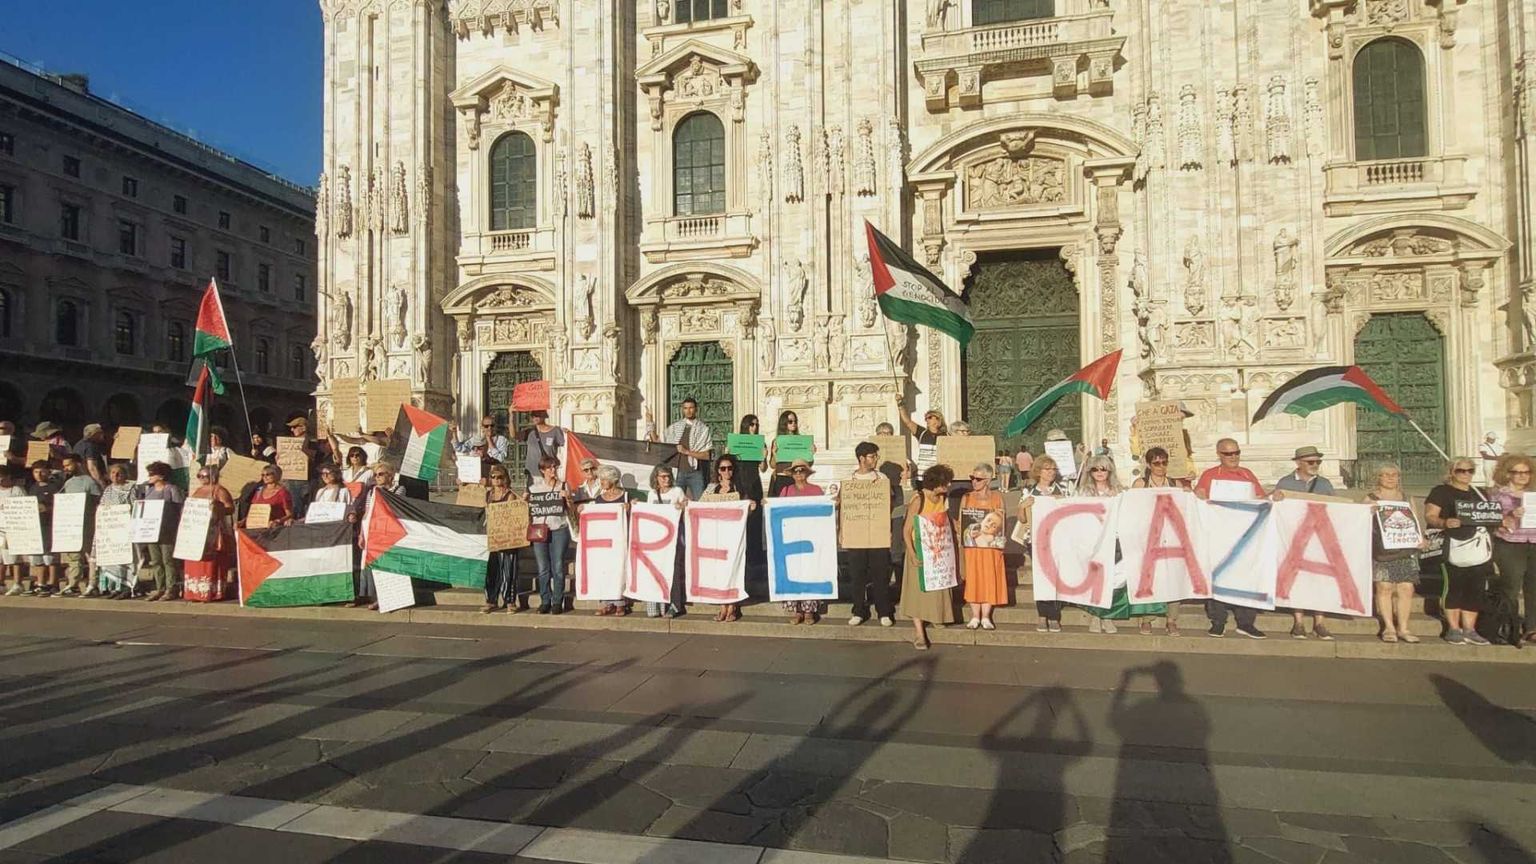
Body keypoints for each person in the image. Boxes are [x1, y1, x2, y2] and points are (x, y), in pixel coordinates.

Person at [1078, 455, 1167, 635]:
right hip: (1093, 541)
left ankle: (1107, 616)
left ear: (1109, 470)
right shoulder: (1083, 492)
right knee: (1097, 579)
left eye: (1103, 469)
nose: (1100, 472)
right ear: (1090, 472)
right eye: (1095, 469)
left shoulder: (1120, 491)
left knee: (1115, 579)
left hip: (1116, 540)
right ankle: (1096, 616)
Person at [1194, 438, 1266, 639]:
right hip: (1218, 537)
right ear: (1219, 454)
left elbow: (1260, 499)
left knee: (1245, 578)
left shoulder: (1247, 474)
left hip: (1244, 537)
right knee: (1216, 577)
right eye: (1228, 454)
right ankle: (1218, 621)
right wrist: (1197, 495)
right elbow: (1199, 499)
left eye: (1236, 452)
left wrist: (1272, 498)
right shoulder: (1209, 475)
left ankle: (1246, 622)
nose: (1233, 457)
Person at [1270, 445, 1337, 640]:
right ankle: (1298, 621)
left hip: (1319, 538)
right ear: (1299, 463)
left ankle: (1319, 622)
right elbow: (1276, 509)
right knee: (1297, 579)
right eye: (1311, 462)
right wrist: (1275, 498)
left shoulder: (1325, 484)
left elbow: (1336, 508)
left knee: (1320, 579)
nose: (1315, 465)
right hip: (1294, 537)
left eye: (1318, 462)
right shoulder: (1285, 482)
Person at [1424, 457, 1493, 646]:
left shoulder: (1481, 493)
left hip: (1478, 546)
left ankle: (1470, 629)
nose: (1466, 474)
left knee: (1475, 589)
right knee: (1454, 586)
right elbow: (1430, 516)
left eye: (1470, 470)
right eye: (1461, 470)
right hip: (1453, 544)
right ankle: (1453, 628)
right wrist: (1445, 522)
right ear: (1451, 472)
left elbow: (1492, 516)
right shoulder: (1441, 491)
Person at [899, 463, 957, 649]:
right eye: (945, 483)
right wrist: (913, 553)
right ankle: (919, 633)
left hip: (937, 549)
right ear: (936, 483)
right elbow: (907, 530)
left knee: (938, 585)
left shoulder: (942, 498)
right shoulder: (919, 499)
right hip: (919, 548)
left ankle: (937, 616)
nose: (948, 486)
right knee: (918, 590)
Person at [1368, 462, 1422, 644]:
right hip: (1383, 549)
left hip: (1405, 549)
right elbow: (1361, 522)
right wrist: (1369, 512)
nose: (1391, 478)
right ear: (1379, 477)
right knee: (1384, 587)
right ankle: (1389, 627)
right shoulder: (1370, 498)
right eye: (1386, 474)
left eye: (1394, 474)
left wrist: (1420, 538)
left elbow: (1414, 521)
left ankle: (1404, 627)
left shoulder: (1407, 498)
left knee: (1406, 588)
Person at [844, 442, 896, 628]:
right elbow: (844, 507)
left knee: (880, 574)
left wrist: (888, 529)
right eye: (873, 456)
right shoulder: (848, 480)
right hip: (855, 534)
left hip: (877, 534)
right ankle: (858, 610)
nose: (876, 459)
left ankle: (884, 611)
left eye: (876, 456)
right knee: (857, 575)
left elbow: (886, 505)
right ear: (862, 458)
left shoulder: (881, 477)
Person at [1019, 455, 1069, 632]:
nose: (1051, 473)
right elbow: (1022, 519)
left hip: (1057, 539)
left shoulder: (1062, 490)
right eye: (1048, 469)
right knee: (1041, 577)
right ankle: (1042, 614)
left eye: (1054, 469)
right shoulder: (1029, 492)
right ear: (1039, 471)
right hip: (1036, 540)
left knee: (1055, 576)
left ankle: (1055, 615)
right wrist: (1023, 506)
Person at [1490, 455, 1536, 644]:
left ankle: (1532, 628)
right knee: (1511, 586)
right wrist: (1510, 514)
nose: (1522, 476)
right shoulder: (1497, 495)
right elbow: (1491, 520)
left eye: (1526, 472)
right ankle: (1510, 627)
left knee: (1534, 587)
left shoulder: (1534, 494)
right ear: (1507, 474)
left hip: (1533, 542)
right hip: (1510, 543)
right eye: (1517, 472)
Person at [704, 453, 754, 622]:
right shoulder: (711, 489)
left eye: (729, 468)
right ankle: (722, 605)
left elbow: (747, 507)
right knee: (719, 571)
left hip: (734, 536)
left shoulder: (740, 488)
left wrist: (752, 505)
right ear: (718, 471)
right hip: (717, 536)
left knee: (733, 568)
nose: (726, 472)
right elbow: (700, 506)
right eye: (723, 468)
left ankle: (732, 606)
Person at [349, 461, 404, 609]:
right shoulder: (372, 491)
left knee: (386, 563)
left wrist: (382, 491)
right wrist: (362, 534)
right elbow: (367, 511)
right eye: (375, 475)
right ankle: (372, 595)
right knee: (371, 563)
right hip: (371, 528)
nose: (377, 477)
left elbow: (395, 506)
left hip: (389, 529)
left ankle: (388, 596)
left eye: (380, 474)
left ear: (390, 475)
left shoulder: (398, 489)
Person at [777, 459, 825, 624]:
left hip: (810, 537)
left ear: (806, 473)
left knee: (809, 571)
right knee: (793, 571)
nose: (798, 474)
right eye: (796, 471)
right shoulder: (786, 490)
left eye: (801, 471)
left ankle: (809, 609)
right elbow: (778, 509)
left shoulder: (816, 490)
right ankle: (796, 610)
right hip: (791, 538)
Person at [961, 462, 1007, 630]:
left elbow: (1002, 522)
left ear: (988, 480)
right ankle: (974, 616)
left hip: (991, 548)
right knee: (973, 578)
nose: (974, 481)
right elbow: (962, 521)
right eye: (972, 478)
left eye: (978, 479)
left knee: (989, 578)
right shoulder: (966, 497)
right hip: (972, 547)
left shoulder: (997, 498)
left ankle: (986, 616)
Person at [182, 466, 237, 602]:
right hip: (197, 530)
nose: (201, 479)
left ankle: (211, 591)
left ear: (212, 477)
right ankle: (194, 591)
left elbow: (230, 508)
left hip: (214, 530)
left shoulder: (219, 490)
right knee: (195, 561)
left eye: (204, 476)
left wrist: (217, 507)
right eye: (199, 476)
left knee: (211, 561)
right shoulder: (198, 490)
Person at [55, 453, 102, 596]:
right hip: (71, 525)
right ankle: (73, 584)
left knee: (90, 556)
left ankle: (93, 584)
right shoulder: (68, 483)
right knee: (73, 556)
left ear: (78, 463)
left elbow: (97, 501)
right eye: (64, 466)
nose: (66, 468)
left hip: (87, 524)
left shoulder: (89, 482)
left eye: (68, 465)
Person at [587, 465, 631, 616]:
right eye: (601, 479)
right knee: (603, 570)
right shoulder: (599, 499)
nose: (602, 482)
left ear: (613, 480)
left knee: (618, 569)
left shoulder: (625, 496)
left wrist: (630, 508)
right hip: (603, 542)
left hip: (620, 540)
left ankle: (620, 602)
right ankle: (605, 602)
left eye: (604, 479)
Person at [138, 461, 185, 601]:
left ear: (161, 475)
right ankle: (160, 587)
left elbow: (179, 508)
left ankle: (171, 588)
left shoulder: (171, 489)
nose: (149, 476)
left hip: (168, 529)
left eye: (152, 474)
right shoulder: (150, 490)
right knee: (156, 560)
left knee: (168, 560)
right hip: (152, 530)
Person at [646, 464, 688, 618]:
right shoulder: (652, 494)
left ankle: (675, 605)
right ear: (656, 478)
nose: (667, 479)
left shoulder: (677, 491)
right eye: (663, 476)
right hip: (657, 539)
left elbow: (688, 507)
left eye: (668, 475)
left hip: (675, 536)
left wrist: (683, 505)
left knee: (674, 569)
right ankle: (659, 602)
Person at [653, 398, 714, 500]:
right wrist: (650, 424)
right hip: (677, 472)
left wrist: (687, 452)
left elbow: (707, 455)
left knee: (701, 502)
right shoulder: (675, 427)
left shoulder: (703, 429)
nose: (688, 411)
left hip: (695, 473)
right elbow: (658, 442)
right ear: (682, 409)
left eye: (691, 408)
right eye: (685, 408)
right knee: (675, 502)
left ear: (696, 409)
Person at [484, 462, 523, 614]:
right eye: (493, 477)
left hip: (507, 537)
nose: (496, 480)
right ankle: (491, 599)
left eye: (500, 477)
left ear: (505, 478)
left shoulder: (510, 495)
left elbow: (513, 515)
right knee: (492, 570)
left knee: (508, 570)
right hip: (493, 536)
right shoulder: (488, 495)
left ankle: (510, 601)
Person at [97, 463, 136, 599]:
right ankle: (114, 587)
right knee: (112, 560)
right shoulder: (108, 489)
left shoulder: (131, 488)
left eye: (119, 473)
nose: (115, 475)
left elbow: (134, 506)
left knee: (124, 560)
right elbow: (102, 506)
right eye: (113, 473)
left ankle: (126, 587)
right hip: (110, 529)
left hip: (124, 529)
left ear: (125, 474)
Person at [23, 460, 60, 595]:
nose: (39, 474)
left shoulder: (54, 487)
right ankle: (41, 583)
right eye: (36, 471)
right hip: (35, 526)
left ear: (49, 472)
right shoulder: (32, 488)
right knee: (37, 557)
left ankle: (53, 583)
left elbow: (61, 505)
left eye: (42, 471)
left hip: (49, 525)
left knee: (50, 556)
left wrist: (47, 508)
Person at [896, 404, 947, 486]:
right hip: (922, 476)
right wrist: (900, 405)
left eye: (931, 417)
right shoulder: (922, 433)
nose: (927, 420)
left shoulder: (946, 436)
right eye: (927, 418)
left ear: (939, 420)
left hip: (938, 476)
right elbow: (907, 421)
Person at [765, 410, 812, 498]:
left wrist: (811, 453)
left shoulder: (802, 441)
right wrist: (774, 453)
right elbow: (772, 465)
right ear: (784, 423)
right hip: (781, 479)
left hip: (796, 478)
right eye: (790, 421)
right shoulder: (777, 441)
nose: (793, 424)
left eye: (795, 421)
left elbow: (808, 463)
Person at [522, 411, 563, 482]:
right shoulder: (529, 432)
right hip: (533, 472)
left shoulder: (555, 430)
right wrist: (511, 416)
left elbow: (566, 445)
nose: (535, 418)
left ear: (544, 415)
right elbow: (514, 435)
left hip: (549, 471)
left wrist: (566, 433)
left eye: (537, 415)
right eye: (533, 416)